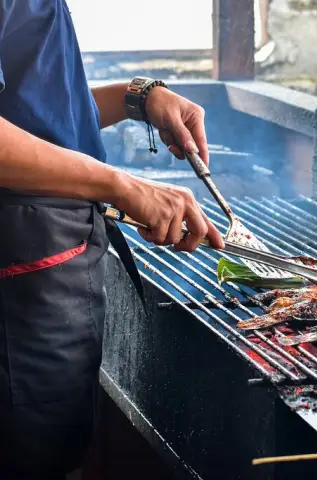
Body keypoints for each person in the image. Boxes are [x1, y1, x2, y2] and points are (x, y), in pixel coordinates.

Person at [0, 1, 225, 478]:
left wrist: (136, 97)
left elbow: (35, 108)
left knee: (55, 451)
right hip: (18, 282)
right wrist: (123, 185)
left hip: (45, 265)